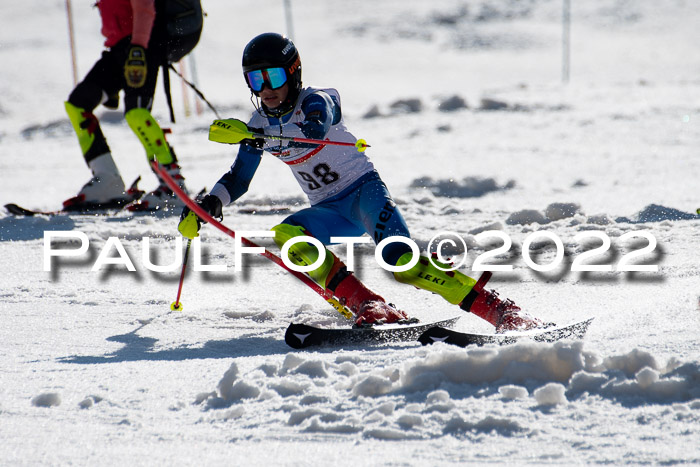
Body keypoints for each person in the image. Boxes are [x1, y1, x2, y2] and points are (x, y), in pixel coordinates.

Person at [178, 32, 544, 330]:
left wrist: (310, 125)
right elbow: (239, 178)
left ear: (293, 74)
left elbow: (325, 110)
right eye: (255, 79)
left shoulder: (314, 101)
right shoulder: (257, 128)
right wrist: (210, 205)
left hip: (364, 194)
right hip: (329, 211)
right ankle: (369, 304)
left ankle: (500, 312)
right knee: (289, 236)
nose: (265, 88)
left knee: (401, 263)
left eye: (273, 76)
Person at [64, 0, 188, 212]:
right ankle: (107, 180)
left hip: (143, 46)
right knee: (78, 105)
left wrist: (138, 47)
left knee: (137, 114)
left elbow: (144, 6)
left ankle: (172, 184)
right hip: (118, 49)